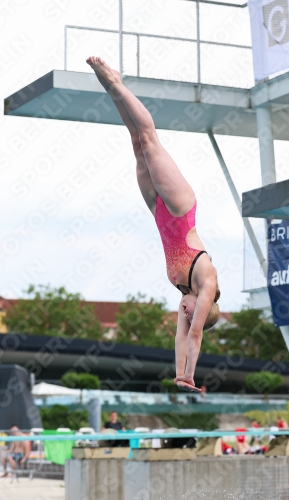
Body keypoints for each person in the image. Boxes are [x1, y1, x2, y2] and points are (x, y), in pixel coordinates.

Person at [86, 57, 220, 393]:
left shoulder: (182, 290)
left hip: (158, 212)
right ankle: (115, 82)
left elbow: (179, 336)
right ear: (203, 309)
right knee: (149, 140)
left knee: (135, 145)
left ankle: (111, 90)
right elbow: (193, 334)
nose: (183, 313)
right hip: (180, 207)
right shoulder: (206, 286)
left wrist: (181, 376)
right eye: (190, 312)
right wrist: (193, 371)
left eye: (184, 313)